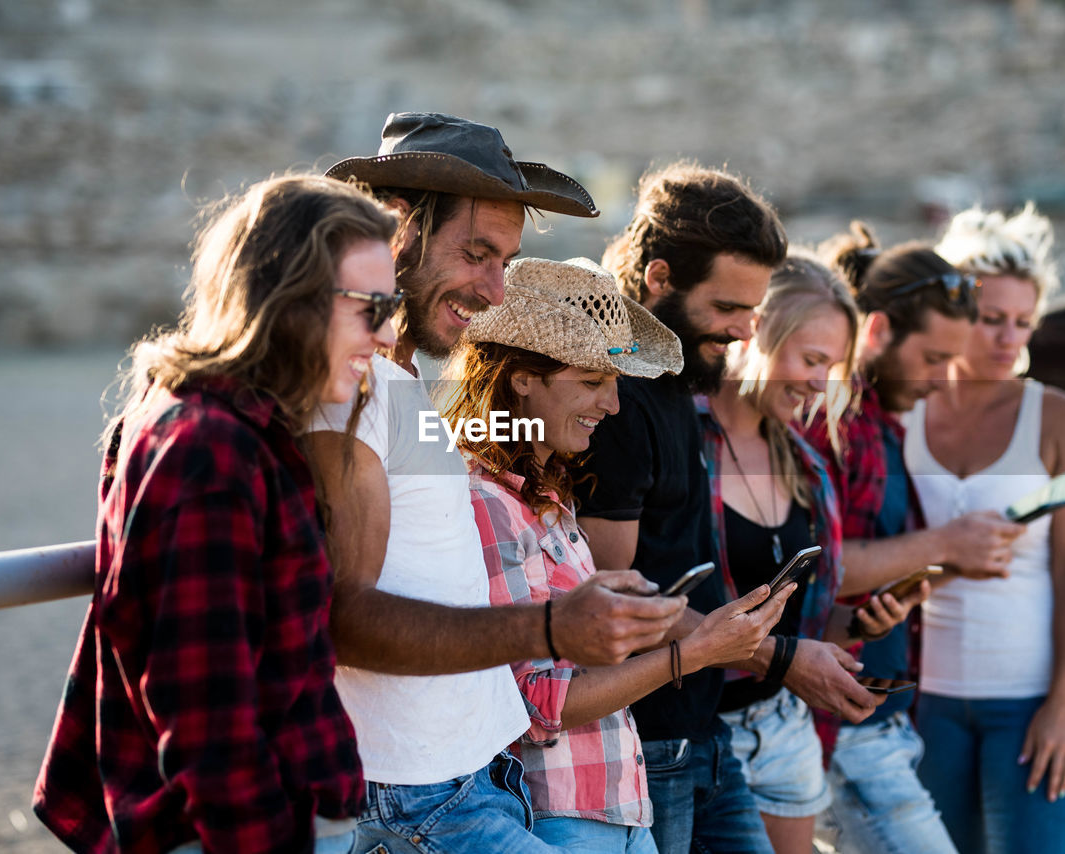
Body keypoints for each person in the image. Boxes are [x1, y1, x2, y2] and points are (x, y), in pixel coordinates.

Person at [308, 113, 685, 853]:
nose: (494, 290)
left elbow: (487, 445)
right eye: (477, 254)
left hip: (478, 780)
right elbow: (346, 619)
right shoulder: (346, 392)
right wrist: (552, 627)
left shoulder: (403, 388)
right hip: (412, 795)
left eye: (505, 262)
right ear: (396, 231)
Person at [33, 175, 401, 853]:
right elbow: (208, 725)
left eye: (392, 305)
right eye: (368, 307)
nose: (384, 334)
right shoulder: (209, 452)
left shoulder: (234, 425)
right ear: (290, 299)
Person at [576, 162, 882, 854]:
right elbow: (617, 607)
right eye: (727, 309)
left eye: (755, 309)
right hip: (647, 747)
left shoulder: (678, 379)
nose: (745, 331)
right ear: (658, 279)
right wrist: (779, 657)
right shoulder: (616, 399)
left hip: (704, 733)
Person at [445, 255, 795, 852]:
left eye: (614, 380)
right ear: (520, 377)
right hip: (561, 813)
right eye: (590, 381)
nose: (611, 404)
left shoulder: (548, 497)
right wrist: (690, 652)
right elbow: (536, 704)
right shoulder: (485, 501)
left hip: (617, 803)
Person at [807, 221, 1023, 854]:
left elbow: (871, 568)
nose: (939, 378)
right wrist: (945, 543)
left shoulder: (886, 421)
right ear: (876, 330)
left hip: (882, 717)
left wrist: (952, 561)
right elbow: (822, 569)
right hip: (844, 722)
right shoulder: (836, 422)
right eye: (932, 359)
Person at [704, 252, 929, 854]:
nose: (818, 383)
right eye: (809, 359)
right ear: (757, 333)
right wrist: (786, 659)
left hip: (782, 729)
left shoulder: (806, 468)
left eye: (833, 368)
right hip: (698, 734)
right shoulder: (684, 439)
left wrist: (853, 623)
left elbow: (804, 617)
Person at [906, 204, 1065, 854]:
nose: (1008, 338)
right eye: (992, 320)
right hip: (926, 700)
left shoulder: (1061, 419)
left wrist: (1062, 708)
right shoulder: (904, 412)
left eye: (1023, 322)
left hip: (1030, 696)